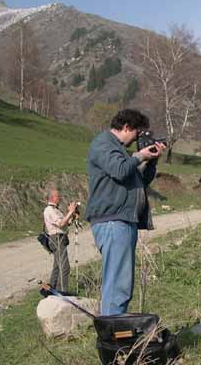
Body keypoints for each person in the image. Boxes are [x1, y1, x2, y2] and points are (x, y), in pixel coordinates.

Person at [85, 109, 165, 316]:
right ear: (127, 127)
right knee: (118, 283)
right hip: (113, 221)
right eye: (137, 133)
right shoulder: (104, 143)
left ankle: (115, 330)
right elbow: (120, 171)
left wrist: (151, 160)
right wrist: (139, 156)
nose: (137, 139)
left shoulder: (118, 150)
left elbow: (139, 180)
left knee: (121, 281)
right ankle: (113, 334)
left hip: (123, 220)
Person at [43, 189, 77, 292]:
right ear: (52, 197)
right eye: (58, 196)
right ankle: (61, 292)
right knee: (64, 266)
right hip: (56, 239)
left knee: (57, 266)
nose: (60, 198)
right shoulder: (49, 210)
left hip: (61, 238)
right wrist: (70, 211)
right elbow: (60, 224)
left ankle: (51, 289)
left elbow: (66, 223)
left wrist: (73, 215)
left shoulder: (57, 210)